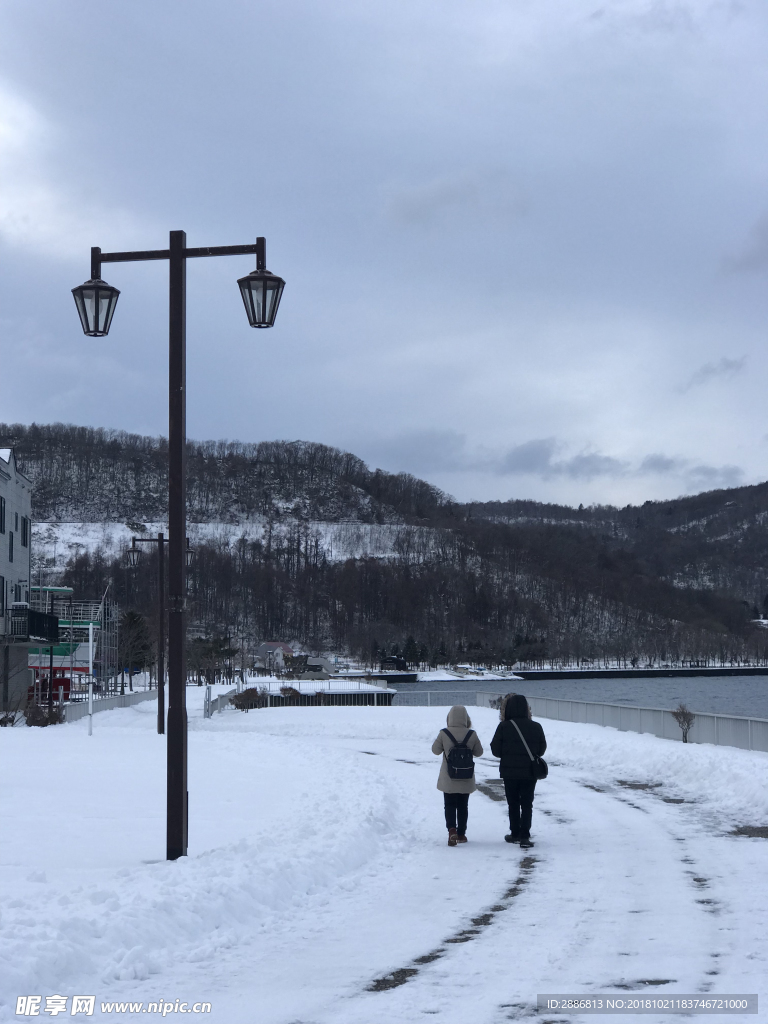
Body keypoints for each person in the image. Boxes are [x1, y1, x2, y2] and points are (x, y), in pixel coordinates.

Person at [490, 693, 546, 849]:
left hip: (509, 772)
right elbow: (541, 749)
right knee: (527, 803)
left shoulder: (504, 727)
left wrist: (507, 754)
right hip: (529, 771)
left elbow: (495, 750)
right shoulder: (536, 727)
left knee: (513, 802)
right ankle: (525, 836)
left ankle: (514, 833)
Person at [432, 705, 484, 846]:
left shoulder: (444, 733)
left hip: (449, 776)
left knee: (449, 804)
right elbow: (479, 752)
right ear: (466, 719)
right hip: (465, 776)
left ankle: (451, 831)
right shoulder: (471, 734)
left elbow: (435, 750)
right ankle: (461, 834)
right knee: (463, 805)